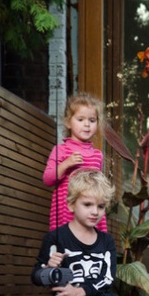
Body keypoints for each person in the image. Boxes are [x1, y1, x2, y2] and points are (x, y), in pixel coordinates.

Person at [43, 92, 107, 232]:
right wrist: (66, 164)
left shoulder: (97, 155)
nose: (86, 125)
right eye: (80, 119)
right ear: (68, 122)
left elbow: (100, 188)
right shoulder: (61, 150)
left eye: (92, 120)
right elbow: (47, 179)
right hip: (67, 211)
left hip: (91, 210)